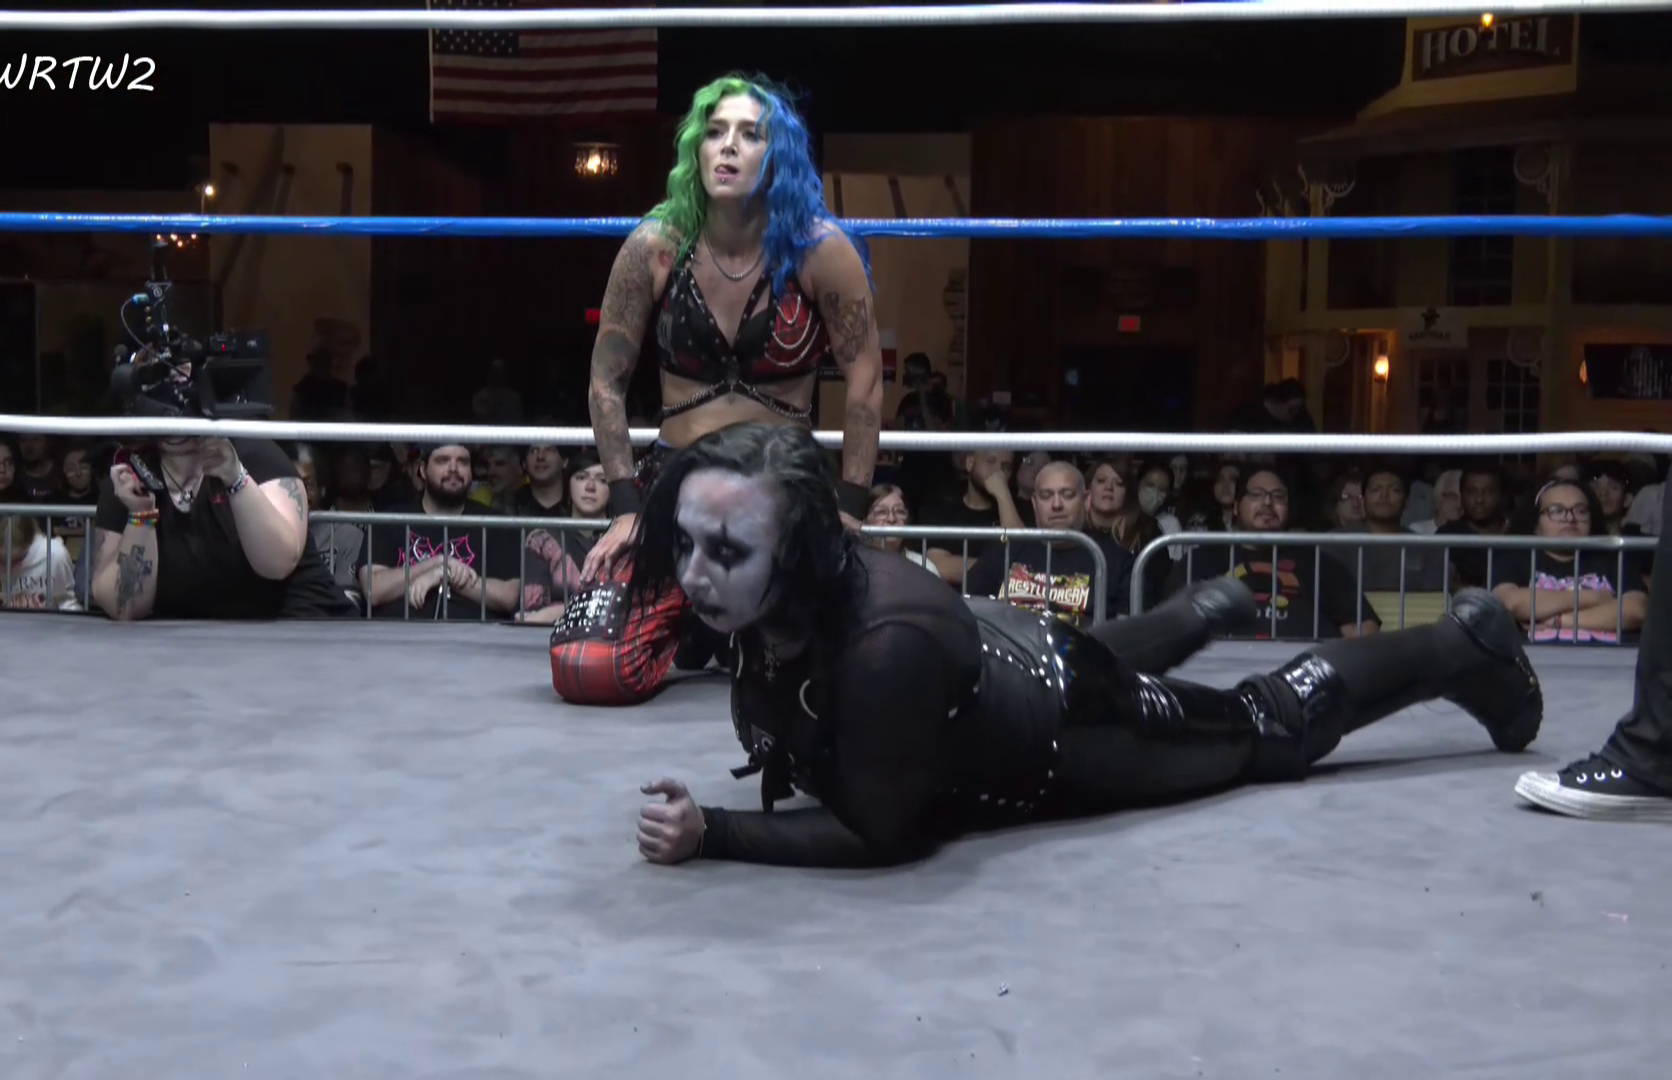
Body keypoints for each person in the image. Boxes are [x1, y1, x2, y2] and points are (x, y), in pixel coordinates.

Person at [625, 424, 1545, 869]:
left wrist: (716, 832)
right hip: (1005, 651)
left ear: (798, 548)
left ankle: (1465, 642)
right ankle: (1198, 611)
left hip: (1070, 721)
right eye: (687, 543)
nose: (694, 574)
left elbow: (880, 829)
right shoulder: (768, 588)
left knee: (1266, 723)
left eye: (726, 551)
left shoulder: (882, 648)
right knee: (1086, 649)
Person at [554, 72, 886, 707]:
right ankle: (697, 623)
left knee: (851, 672)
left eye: (749, 134)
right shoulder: (656, 245)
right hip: (677, 480)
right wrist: (625, 506)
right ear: (696, 148)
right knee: (588, 666)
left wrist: (849, 506)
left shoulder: (820, 250)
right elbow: (605, 378)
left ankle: (739, 628)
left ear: (778, 156)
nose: (728, 146)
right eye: (714, 132)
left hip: (781, 486)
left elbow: (866, 381)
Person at [1515, 471, 1672, 821]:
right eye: (1557, 511)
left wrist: (1557, 620)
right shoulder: (1518, 556)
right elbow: (1510, 602)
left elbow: (1634, 609)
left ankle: (1653, 762)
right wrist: (1593, 599)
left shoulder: (1610, 559)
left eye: (1579, 511)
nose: (1569, 519)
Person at [93, 433, 351, 620]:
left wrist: (235, 477)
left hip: (298, 624)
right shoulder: (130, 474)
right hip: (195, 645)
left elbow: (278, 564)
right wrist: (141, 515)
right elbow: (123, 606)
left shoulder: (254, 453)